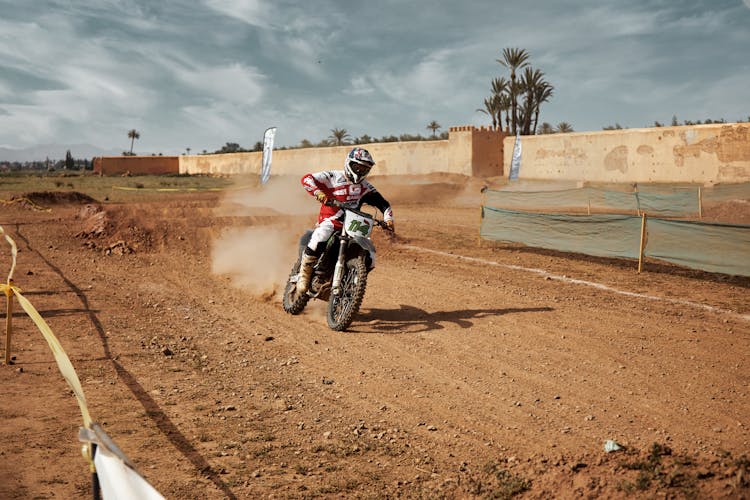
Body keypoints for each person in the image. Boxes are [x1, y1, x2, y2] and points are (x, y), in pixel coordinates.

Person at [296, 147, 394, 294]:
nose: (360, 171)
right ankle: (304, 276)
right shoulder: (333, 176)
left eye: (364, 168)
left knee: (370, 256)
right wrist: (320, 194)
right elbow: (307, 179)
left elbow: (384, 204)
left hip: (353, 225)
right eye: (357, 167)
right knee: (320, 236)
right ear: (349, 163)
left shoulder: (366, 187)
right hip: (331, 220)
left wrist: (388, 220)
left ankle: (350, 282)